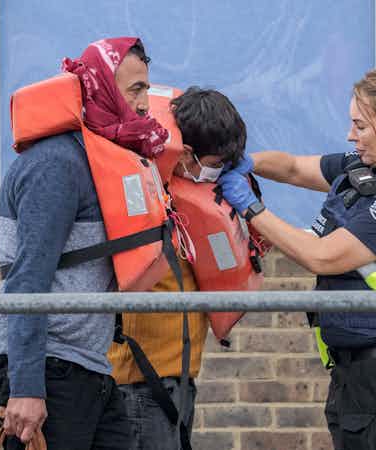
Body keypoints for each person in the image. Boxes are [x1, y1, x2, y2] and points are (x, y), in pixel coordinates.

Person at [217, 61, 376, 450]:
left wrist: (251, 209)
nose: (350, 135)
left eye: (361, 126)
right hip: (356, 372)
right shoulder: (366, 169)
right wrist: (244, 163)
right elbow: (292, 169)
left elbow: (323, 257)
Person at [0, 37, 168, 450]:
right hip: (46, 370)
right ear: (100, 86)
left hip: (87, 366)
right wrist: (27, 387)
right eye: (135, 90)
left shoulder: (99, 161)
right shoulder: (56, 166)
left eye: (147, 89)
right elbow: (26, 280)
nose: (144, 104)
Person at [107, 86, 249, 450]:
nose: (218, 173)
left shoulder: (192, 200)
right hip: (140, 383)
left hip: (179, 378)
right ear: (185, 154)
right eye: (216, 163)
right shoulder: (145, 198)